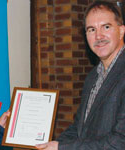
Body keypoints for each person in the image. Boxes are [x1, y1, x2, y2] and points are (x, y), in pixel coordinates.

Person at [36, 1, 125, 150]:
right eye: (91, 30)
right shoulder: (92, 77)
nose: (98, 36)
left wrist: (61, 148)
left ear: (121, 31)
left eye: (106, 27)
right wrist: (47, 145)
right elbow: (79, 128)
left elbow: (120, 142)